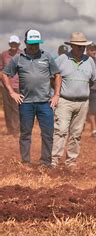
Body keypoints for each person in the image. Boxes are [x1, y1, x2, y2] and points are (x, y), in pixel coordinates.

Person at [2, 30, 60, 166]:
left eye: (37, 44)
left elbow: (57, 74)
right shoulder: (18, 58)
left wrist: (56, 95)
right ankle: (26, 162)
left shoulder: (47, 57)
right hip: (26, 102)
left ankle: (46, 162)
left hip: (45, 102)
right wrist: (12, 92)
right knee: (25, 134)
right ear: (26, 43)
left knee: (47, 133)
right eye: (32, 44)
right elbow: (5, 74)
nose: (34, 47)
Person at [51, 32, 96, 168]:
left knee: (76, 133)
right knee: (61, 130)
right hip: (65, 100)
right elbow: (52, 78)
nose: (81, 49)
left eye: (83, 47)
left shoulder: (90, 61)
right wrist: (59, 93)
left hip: (83, 102)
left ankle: (71, 161)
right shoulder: (61, 59)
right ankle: (54, 160)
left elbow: (92, 81)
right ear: (71, 46)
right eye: (78, 46)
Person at [0, 35, 21, 136]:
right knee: (7, 108)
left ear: (19, 44)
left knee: (16, 108)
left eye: (15, 44)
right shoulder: (3, 54)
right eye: (12, 43)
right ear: (9, 44)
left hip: (18, 86)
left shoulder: (23, 54)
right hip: (5, 86)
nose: (13, 45)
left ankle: (16, 130)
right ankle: (10, 130)